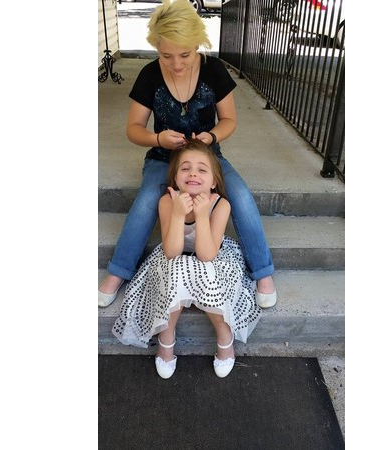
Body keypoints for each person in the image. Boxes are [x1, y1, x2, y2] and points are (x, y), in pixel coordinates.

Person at [98, 0, 277, 310]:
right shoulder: (149, 75)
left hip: (206, 157)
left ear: (197, 44)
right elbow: (133, 129)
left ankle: (263, 272)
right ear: (156, 47)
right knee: (147, 199)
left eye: (185, 54)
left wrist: (212, 136)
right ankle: (118, 271)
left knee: (240, 194)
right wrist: (158, 138)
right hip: (163, 157)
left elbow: (229, 120)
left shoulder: (214, 70)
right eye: (166, 55)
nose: (177, 64)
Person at [112, 139, 262, 379]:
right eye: (185, 168)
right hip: (174, 257)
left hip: (214, 258)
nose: (193, 173)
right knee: (175, 268)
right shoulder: (166, 201)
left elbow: (207, 255)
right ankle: (166, 335)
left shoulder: (221, 204)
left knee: (208, 271)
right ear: (175, 178)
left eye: (202, 169)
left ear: (213, 181)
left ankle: (224, 334)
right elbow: (171, 251)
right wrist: (179, 214)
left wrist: (201, 216)